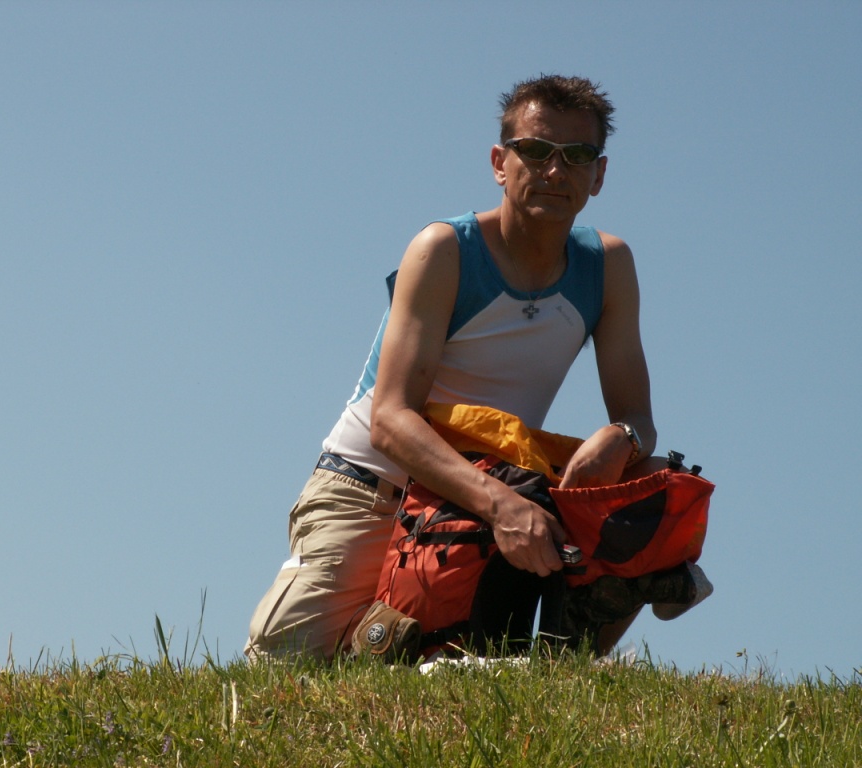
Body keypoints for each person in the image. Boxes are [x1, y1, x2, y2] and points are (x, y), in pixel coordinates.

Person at [245, 74, 656, 661]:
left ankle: (563, 667)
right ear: (499, 161)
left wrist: (624, 437)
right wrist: (502, 505)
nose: (555, 171)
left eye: (578, 156)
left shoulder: (608, 265)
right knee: (277, 673)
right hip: (374, 484)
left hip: (477, 500)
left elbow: (639, 417)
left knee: (658, 482)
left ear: (600, 174)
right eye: (536, 151)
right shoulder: (441, 250)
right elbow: (390, 419)